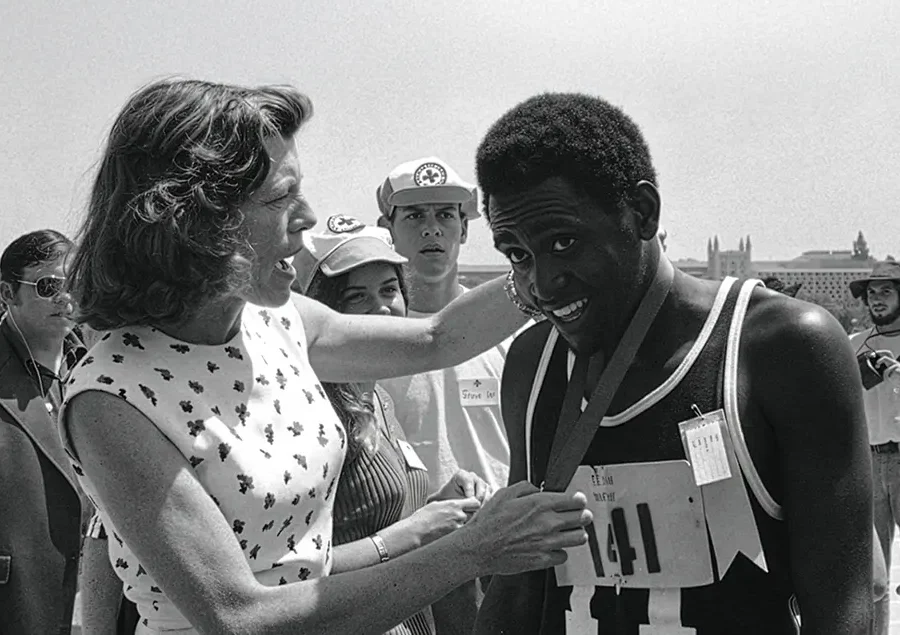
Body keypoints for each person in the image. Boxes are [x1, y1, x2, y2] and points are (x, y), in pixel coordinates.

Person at [60, 79, 591, 635]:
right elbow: (240, 618)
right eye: (279, 197)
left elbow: (436, 338)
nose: (308, 215)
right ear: (196, 220)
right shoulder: (111, 400)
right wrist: (474, 551)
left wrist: (546, 269)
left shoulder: (280, 322)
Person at [471, 92, 873, 634]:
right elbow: (521, 587)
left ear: (641, 213)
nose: (542, 283)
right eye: (517, 253)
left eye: (563, 242)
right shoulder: (533, 364)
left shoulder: (779, 348)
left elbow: (842, 603)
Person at [295, 215, 491, 634]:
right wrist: (417, 531)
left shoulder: (378, 397)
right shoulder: (308, 414)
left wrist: (439, 504)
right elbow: (293, 573)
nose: (381, 308)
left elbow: (382, 518)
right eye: (356, 297)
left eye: (389, 290)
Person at [376, 157, 511, 496]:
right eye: (414, 215)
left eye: (446, 215)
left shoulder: (505, 329)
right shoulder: (369, 342)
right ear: (386, 230)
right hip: (418, 543)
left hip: (512, 533)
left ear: (464, 229)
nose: (432, 228)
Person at [0, 230, 88, 633]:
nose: (65, 297)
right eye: (48, 285)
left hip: (98, 601)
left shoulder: (100, 366)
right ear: (7, 292)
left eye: (75, 283)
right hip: (20, 605)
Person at [849, 261, 900, 635]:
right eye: (872, 293)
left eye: (886, 291)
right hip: (868, 462)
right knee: (873, 577)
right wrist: (858, 375)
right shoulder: (854, 345)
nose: (877, 300)